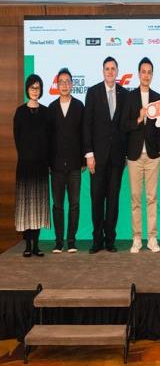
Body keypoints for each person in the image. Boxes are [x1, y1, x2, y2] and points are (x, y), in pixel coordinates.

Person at [83, 56, 128, 253]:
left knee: (113, 200)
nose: (110, 72)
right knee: (97, 199)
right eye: (107, 69)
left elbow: (125, 127)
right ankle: (97, 240)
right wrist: (89, 154)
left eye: (113, 69)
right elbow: (87, 125)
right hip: (97, 157)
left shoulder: (124, 94)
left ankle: (110, 239)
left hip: (117, 158)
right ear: (103, 71)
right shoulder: (93, 92)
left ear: (117, 72)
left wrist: (126, 154)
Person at [121, 57, 160, 253]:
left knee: (152, 198)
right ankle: (137, 238)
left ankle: (152, 238)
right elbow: (123, 125)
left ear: (152, 75)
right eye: (143, 72)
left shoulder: (158, 97)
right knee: (136, 199)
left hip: (153, 156)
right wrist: (138, 119)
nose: (146, 75)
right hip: (134, 156)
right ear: (139, 74)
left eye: (149, 72)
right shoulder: (129, 97)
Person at [48, 68, 85, 253]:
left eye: (67, 81)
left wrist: (84, 160)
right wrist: (48, 162)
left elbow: (84, 135)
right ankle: (58, 242)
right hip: (55, 166)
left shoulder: (79, 106)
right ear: (57, 85)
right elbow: (48, 138)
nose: (64, 85)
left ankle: (71, 241)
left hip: (75, 165)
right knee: (57, 205)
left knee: (74, 204)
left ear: (72, 84)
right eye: (61, 82)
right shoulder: (51, 108)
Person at [13, 74, 50, 257]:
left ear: (41, 90)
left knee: (39, 206)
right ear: (27, 89)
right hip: (25, 166)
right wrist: (27, 155)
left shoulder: (46, 112)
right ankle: (27, 245)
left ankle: (36, 246)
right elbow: (17, 138)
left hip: (41, 166)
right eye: (32, 87)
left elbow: (49, 139)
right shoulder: (20, 112)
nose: (35, 91)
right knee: (26, 206)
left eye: (38, 87)